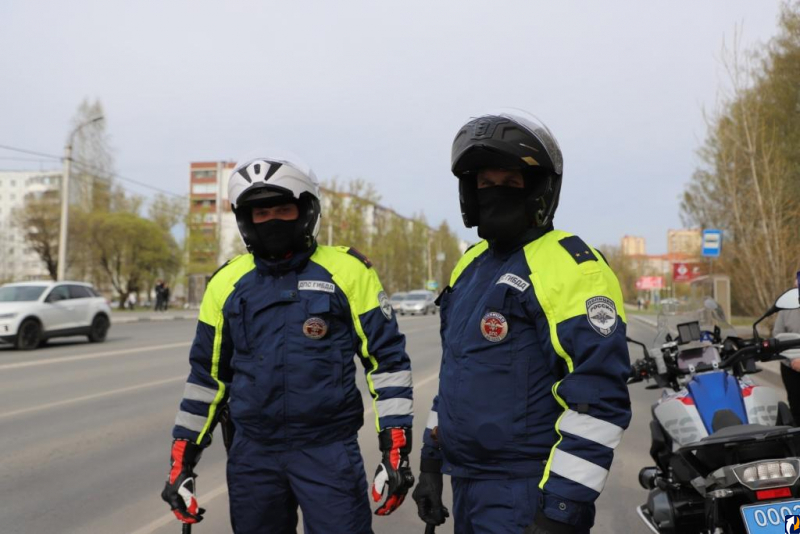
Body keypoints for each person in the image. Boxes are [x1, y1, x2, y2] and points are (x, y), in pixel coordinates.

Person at [160, 153, 414, 534]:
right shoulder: (225, 283)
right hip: (253, 456)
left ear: (306, 211)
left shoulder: (348, 271)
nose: (272, 220)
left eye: (283, 209)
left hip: (327, 451)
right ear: (246, 220)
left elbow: (387, 364)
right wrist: (182, 460)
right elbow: (206, 381)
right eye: (261, 213)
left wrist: (395, 449)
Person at [412, 110, 632, 534]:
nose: (495, 193)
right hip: (469, 486)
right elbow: (456, 376)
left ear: (538, 190)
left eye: (510, 183)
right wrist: (431, 463)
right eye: (485, 184)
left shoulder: (570, 264)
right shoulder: (471, 265)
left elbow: (597, 399)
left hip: (529, 491)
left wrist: (560, 509)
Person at [775, 274, 800, 424]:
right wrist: (793, 360)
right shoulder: (786, 309)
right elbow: (778, 336)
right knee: (796, 409)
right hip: (791, 366)